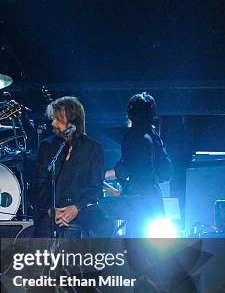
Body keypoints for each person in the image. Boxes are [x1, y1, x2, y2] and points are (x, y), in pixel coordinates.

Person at [32, 96, 106, 237]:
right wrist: (50, 209)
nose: (53, 123)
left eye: (58, 120)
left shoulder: (93, 148)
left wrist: (76, 208)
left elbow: (95, 187)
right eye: (53, 118)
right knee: (39, 236)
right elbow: (39, 184)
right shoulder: (47, 146)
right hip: (53, 210)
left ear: (72, 122)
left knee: (102, 227)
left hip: (82, 209)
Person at [105, 92, 173, 237]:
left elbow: (127, 169)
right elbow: (167, 171)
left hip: (138, 202)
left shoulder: (132, 137)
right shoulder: (154, 136)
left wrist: (104, 175)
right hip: (153, 199)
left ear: (130, 114)